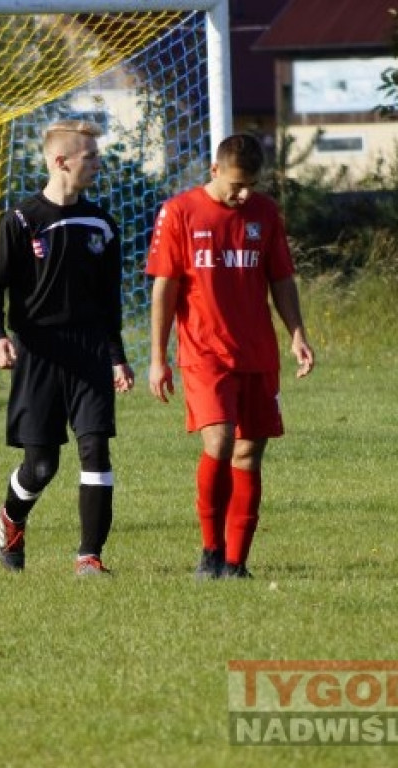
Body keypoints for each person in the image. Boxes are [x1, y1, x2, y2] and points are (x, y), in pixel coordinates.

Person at [145, 132, 315, 580]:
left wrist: (297, 334)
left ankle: (237, 563)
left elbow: (281, 280)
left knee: (248, 453)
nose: (243, 195)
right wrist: (158, 358)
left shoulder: (265, 214)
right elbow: (165, 287)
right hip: (204, 353)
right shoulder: (179, 212)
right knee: (218, 441)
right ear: (214, 171)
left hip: (257, 353)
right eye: (236, 185)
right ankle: (210, 551)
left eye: (251, 186)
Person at [0, 119, 135, 576]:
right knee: (42, 465)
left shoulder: (102, 224)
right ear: (60, 161)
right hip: (39, 353)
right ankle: (12, 519)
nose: (98, 163)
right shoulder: (22, 220)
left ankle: (89, 556)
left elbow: (109, 302)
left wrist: (117, 357)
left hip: (88, 351)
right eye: (90, 156)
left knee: (96, 449)